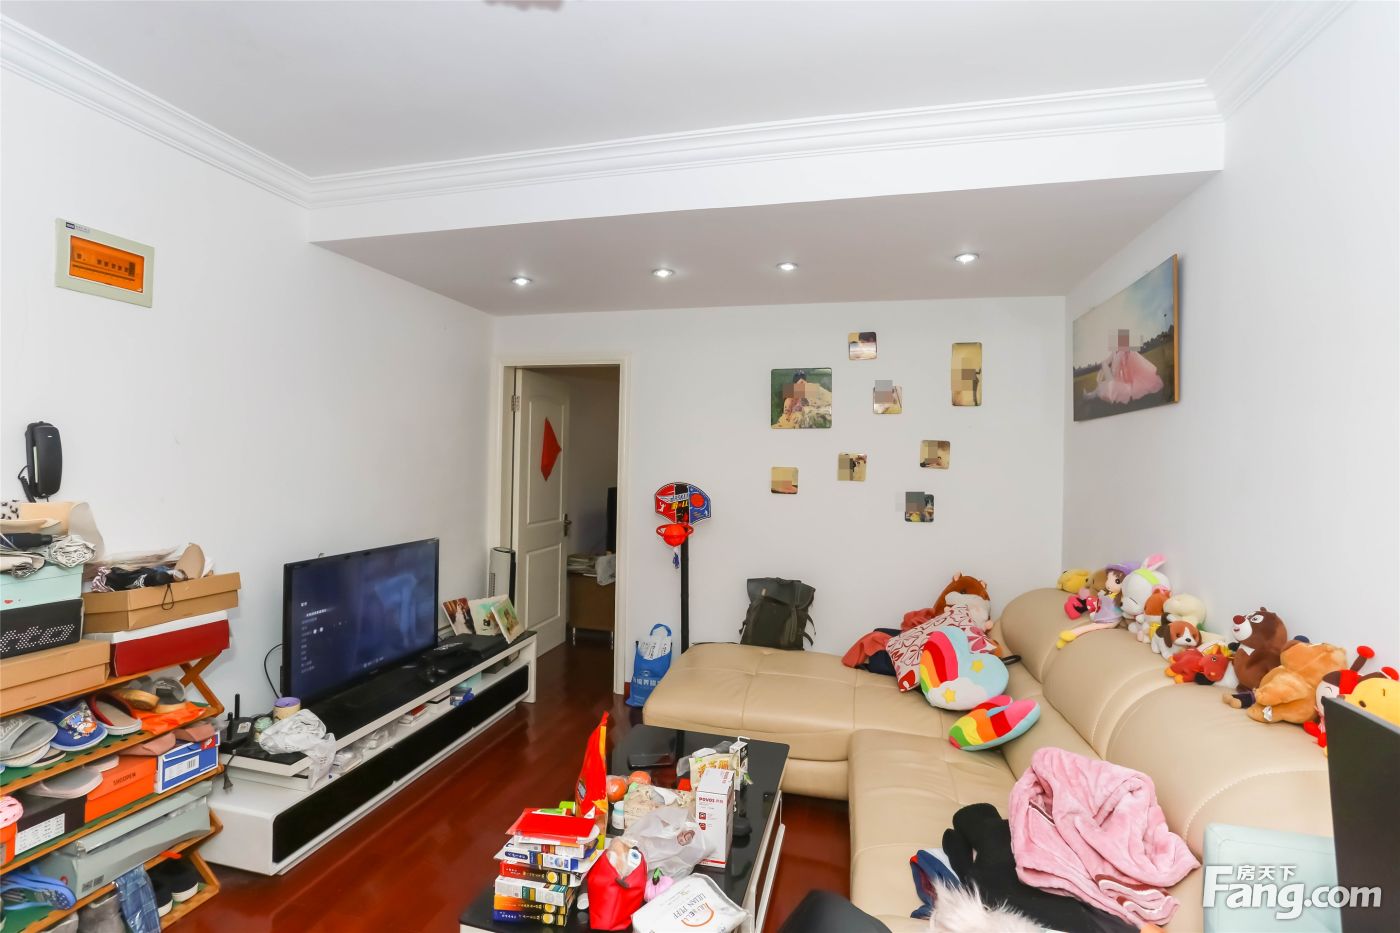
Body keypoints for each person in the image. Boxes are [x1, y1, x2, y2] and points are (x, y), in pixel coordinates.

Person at [1087, 329, 1164, 404]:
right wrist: (1102, 370)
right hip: (1117, 380)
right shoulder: (1115, 353)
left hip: (1122, 382)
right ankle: (1090, 395)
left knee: (1106, 387)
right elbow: (1107, 362)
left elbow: (1119, 371)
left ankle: (1091, 395)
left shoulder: (1123, 353)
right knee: (1102, 386)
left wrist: (1108, 373)